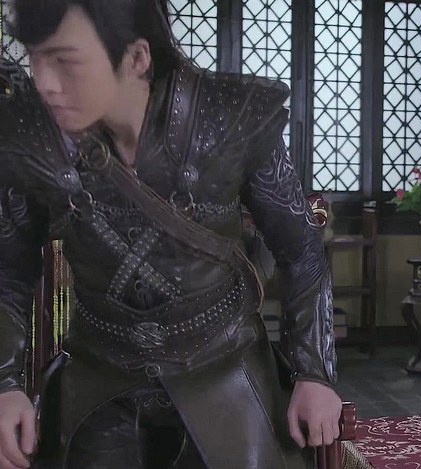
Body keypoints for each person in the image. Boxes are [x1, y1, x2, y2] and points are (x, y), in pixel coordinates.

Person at [0, 0, 342, 467]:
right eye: (36, 57)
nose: (44, 83)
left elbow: (301, 250)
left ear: (136, 58)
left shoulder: (229, 118)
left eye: (66, 61)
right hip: (99, 371)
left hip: (224, 365)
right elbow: (8, 272)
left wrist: (314, 373)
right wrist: (5, 385)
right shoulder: (35, 135)